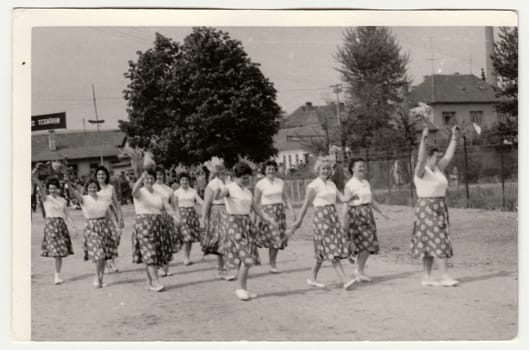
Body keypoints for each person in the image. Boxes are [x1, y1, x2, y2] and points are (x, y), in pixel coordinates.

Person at [215, 161, 278, 301]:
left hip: (246, 224)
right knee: (247, 259)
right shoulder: (229, 188)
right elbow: (218, 196)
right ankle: (240, 289)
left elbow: (258, 210)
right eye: (243, 177)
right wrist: (218, 188)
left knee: (244, 260)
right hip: (234, 224)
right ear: (235, 177)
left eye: (247, 177)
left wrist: (270, 220)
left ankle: (243, 288)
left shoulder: (248, 191)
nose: (246, 180)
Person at [291, 157, 356, 290]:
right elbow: (305, 205)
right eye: (323, 168)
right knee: (332, 249)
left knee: (322, 251)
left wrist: (352, 196)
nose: (326, 171)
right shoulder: (313, 185)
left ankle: (312, 278)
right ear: (318, 170)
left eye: (328, 168)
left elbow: (342, 198)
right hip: (321, 219)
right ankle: (344, 280)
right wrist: (299, 221)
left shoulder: (332, 184)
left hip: (332, 217)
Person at [412, 124, 460, 287]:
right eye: (434, 157)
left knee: (429, 242)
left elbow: (449, 154)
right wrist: (424, 139)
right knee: (438, 240)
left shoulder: (438, 169)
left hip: (439, 207)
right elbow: (419, 158)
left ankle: (427, 277)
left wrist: (454, 137)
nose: (438, 159)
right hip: (427, 208)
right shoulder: (421, 171)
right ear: (428, 157)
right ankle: (445, 275)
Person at [66, 177, 118, 288]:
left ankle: (101, 278)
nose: (92, 189)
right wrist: (68, 183)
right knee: (99, 254)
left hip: (104, 226)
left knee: (103, 255)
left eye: (94, 187)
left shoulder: (103, 198)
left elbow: (108, 212)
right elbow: (74, 194)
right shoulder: (84, 199)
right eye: (90, 187)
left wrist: (114, 225)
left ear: (97, 188)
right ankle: (96, 276)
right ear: (87, 189)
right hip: (91, 227)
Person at [344, 158, 389, 282]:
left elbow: (372, 200)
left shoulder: (366, 182)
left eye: (363, 166)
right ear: (352, 168)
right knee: (362, 244)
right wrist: (345, 221)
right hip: (356, 215)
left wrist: (381, 212)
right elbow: (346, 203)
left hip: (368, 214)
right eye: (359, 166)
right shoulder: (349, 185)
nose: (362, 168)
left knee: (369, 244)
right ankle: (358, 270)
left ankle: (359, 270)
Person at [131, 169, 173, 292]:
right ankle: (155, 281)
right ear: (143, 180)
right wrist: (140, 178)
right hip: (143, 224)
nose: (149, 180)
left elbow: (167, 207)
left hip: (157, 225)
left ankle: (149, 282)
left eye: (151, 178)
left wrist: (176, 218)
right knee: (150, 253)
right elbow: (134, 191)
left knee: (152, 253)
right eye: (146, 178)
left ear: (154, 180)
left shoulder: (159, 193)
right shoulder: (140, 192)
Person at [32, 166, 75, 285]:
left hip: (61, 226)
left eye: (54, 188)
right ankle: (56, 276)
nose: (52, 190)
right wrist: (35, 171)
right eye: (50, 189)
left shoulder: (63, 200)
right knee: (56, 252)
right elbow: (36, 182)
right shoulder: (46, 198)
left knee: (59, 253)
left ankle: (57, 275)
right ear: (48, 189)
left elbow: (67, 215)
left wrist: (73, 226)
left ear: (58, 189)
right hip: (51, 225)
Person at [254, 160, 296, 274]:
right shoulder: (260, 184)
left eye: (273, 169)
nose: (271, 171)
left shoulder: (280, 182)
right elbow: (256, 202)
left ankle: (272, 263)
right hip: (267, 212)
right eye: (268, 169)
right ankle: (265, 261)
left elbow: (286, 198)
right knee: (273, 237)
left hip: (279, 212)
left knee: (277, 239)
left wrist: (291, 210)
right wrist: (258, 216)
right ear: (265, 171)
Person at [201, 157, 235, 280]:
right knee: (222, 241)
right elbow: (206, 203)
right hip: (217, 213)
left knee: (229, 241)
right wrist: (204, 219)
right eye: (219, 170)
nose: (221, 172)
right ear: (215, 171)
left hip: (230, 212)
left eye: (223, 169)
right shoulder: (212, 184)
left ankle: (224, 268)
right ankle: (223, 270)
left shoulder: (229, 182)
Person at [153, 166, 182, 276]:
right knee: (157, 242)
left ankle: (166, 267)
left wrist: (177, 217)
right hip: (155, 215)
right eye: (157, 174)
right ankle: (159, 266)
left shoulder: (169, 189)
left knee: (167, 242)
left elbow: (174, 205)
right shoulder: (151, 188)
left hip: (167, 216)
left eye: (160, 174)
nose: (158, 176)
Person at [95, 166, 124, 273]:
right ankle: (106, 265)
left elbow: (116, 202)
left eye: (103, 174)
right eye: (99, 174)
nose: (101, 176)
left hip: (112, 214)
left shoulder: (110, 188)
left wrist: (120, 216)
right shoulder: (94, 188)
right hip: (100, 216)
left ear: (106, 175)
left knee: (115, 238)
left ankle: (113, 262)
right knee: (103, 240)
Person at [171, 172, 203, 266]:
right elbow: (174, 205)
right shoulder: (176, 193)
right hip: (181, 215)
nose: (184, 182)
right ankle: (185, 257)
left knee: (189, 238)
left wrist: (208, 206)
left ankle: (187, 257)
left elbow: (200, 201)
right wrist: (176, 217)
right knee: (186, 237)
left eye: (186, 180)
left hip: (192, 215)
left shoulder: (193, 191)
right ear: (179, 182)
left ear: (189, 181)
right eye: (182, 180)